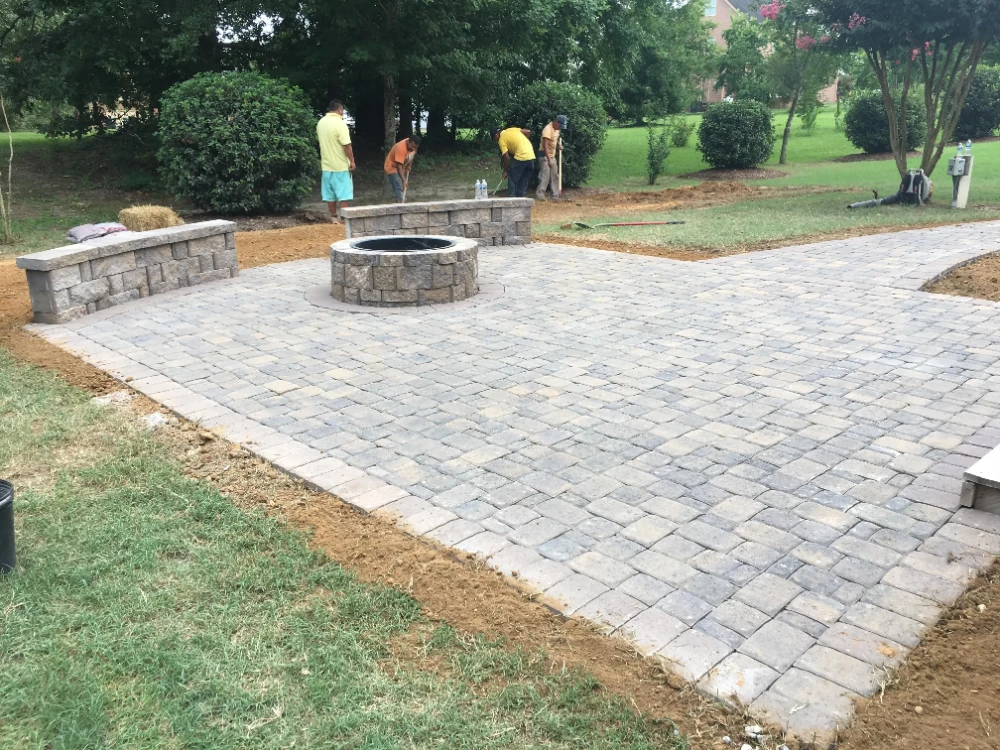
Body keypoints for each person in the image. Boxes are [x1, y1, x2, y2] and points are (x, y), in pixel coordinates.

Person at [316, 99, 355, 223]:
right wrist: (352, 161)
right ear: (339, 110)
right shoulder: (340, 123)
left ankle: (333, 218)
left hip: (326, 165)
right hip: (340, 165)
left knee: (329, 194)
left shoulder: (321, 123)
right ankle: (343, 218)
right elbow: (347, 145)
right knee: (343, 194)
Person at [492, 126, 535, 198]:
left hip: (521, 156)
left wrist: (506, 171)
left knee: (512, 177)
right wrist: (523, 143)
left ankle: (512, 197)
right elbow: (528, 132)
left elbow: (506, 157)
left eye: (494, 139)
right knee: (524, 178)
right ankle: (521, 197)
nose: (495, 141)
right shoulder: (511, 130)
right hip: (531, 155)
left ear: (496, 135)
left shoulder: (501, 139)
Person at [536, 115, 566, 200]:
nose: (560, 128)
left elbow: (554, 139)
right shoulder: (547, 130)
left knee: (554, 175)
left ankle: (555, 195)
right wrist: (549, 160)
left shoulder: (556, 129)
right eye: (560, 126)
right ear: (556, 122)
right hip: (544, 155)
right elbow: (545, 146)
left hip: (552, 155)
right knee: (545, 176)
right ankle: (540, 194)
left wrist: (559, 145)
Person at [383, 134, 421, 203]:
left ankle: (400, 200)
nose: (413, 149)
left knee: (402, 186)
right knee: (398, 183)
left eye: (415, 147)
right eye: (412, 146)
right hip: (392, 166)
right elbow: (399, 167)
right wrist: (403, 180)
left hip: (402, 165)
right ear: (408, 142)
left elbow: (412, 155)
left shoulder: (413, 146)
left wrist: (409, 165)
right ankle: (401, 202)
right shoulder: (400, 148)